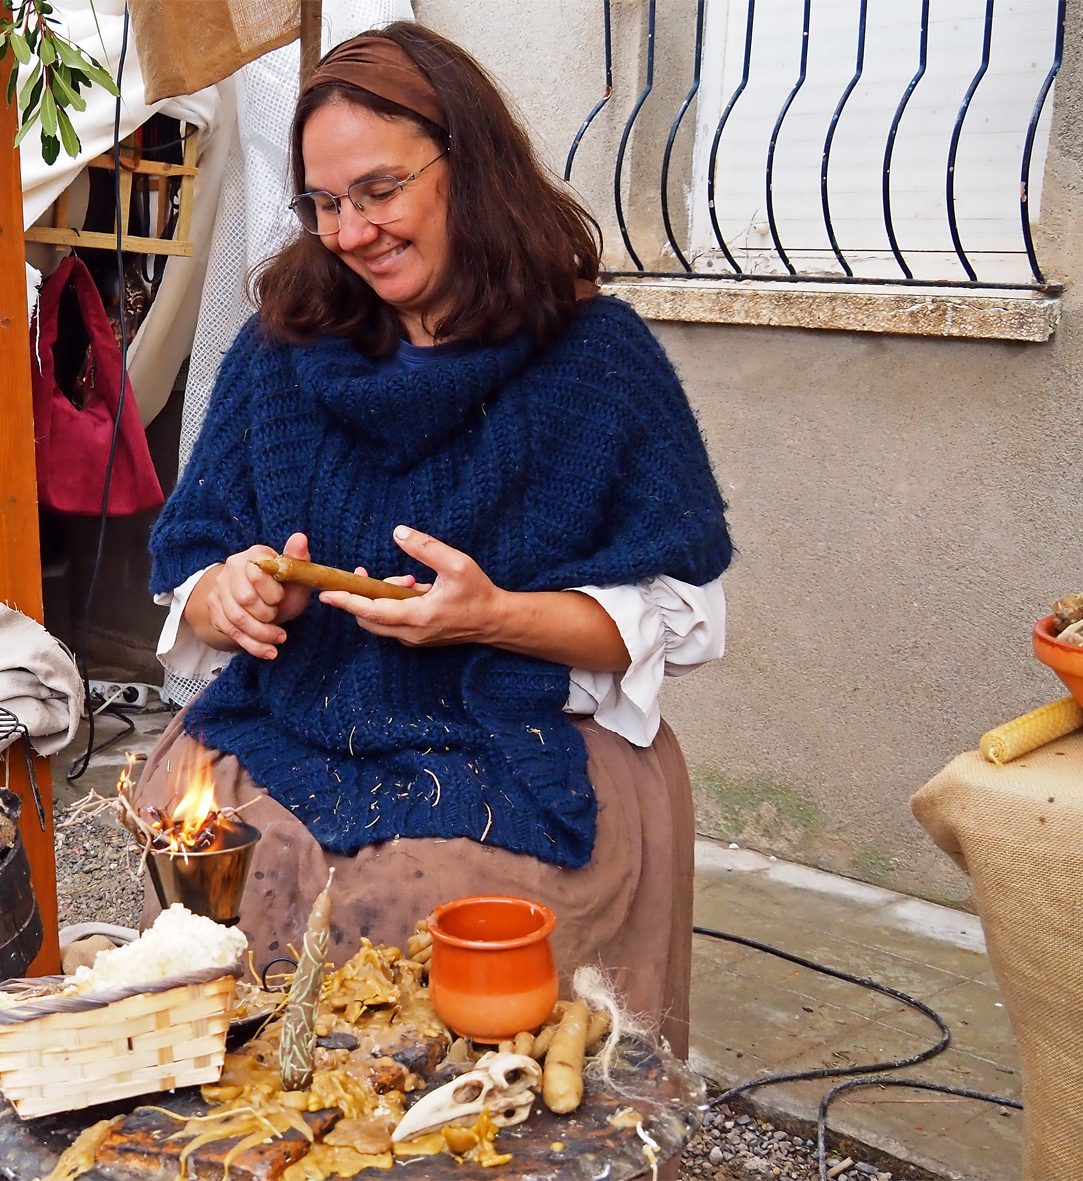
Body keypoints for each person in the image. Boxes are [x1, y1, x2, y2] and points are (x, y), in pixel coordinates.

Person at [139, 22, 730, 1057]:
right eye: (324, 204)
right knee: (206, 841)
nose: (350, 232)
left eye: (378, 190)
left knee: (426, 899)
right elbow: (192, 556)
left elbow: (681, 615)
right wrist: (227, 593)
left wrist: (492, 616)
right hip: (295, 718)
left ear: (469, 163)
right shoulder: (279, 350)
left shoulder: (596, 361)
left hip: (518, 737)